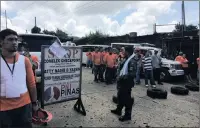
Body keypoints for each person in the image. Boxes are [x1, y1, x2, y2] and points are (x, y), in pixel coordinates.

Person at [0, 29, 39, 128]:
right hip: (3, 109)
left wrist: (34, 103)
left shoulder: (24, 60)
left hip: (24, 106)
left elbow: (31, 84)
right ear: (1, 41)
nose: (14, 42)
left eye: (16, 40)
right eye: (10, 39)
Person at [111, 46, 138, 122]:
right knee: (120, 96)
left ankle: (127, 115)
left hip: (127, 83)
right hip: (122, 82)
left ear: (127, 52)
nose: (122, 52)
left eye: (124, 51)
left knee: (127, 99)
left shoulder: (132, 61)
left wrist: (122, 77)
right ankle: (118, 110)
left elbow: (132, 74)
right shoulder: (126, 59)